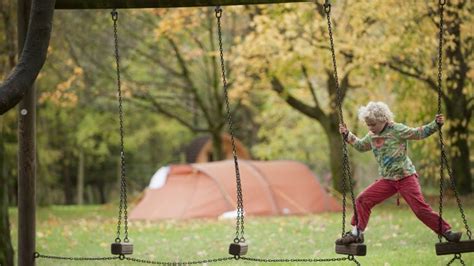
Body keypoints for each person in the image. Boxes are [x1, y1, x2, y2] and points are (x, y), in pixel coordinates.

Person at [335, 101, 462, 245]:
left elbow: (418, 133)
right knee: (362, 200)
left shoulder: (397, 129)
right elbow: (361, 146)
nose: (371, 128)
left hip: (406, 177)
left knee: (420, 210)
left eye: (373, 125)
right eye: (368, 125)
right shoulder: (372, 136)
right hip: (387, 180)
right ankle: (356, 233)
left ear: (383, 119)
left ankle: (447, 232)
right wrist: (347, 135)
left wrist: (435, 125)